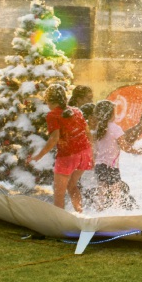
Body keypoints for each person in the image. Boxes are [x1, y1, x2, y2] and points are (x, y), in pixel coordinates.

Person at [27, 85, 94, 213]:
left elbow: (54, 138)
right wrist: (91, 154)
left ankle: (60, 222)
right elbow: (88, 133)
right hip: (84, 153)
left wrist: (39, 156)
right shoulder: (77, 111)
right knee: (72, 185)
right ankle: (80, 213)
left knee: (59, 193)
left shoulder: (53, 115)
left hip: (68, 156)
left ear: (49, 100)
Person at [89, 100, 142, 211]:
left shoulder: (98, 129)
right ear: (110, 114)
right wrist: (136, 151)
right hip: (111, 166)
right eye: (114, 112)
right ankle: (116, 212)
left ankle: (99, 211)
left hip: (99, 165)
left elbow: (94, 150)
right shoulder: (115, 128)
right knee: (116, 191)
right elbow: (124, 147)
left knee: (101, 190)